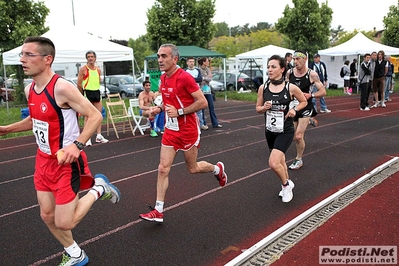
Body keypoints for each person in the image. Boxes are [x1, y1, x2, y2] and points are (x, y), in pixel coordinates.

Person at [0, 36, 121, 265]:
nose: (22, 60)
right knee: (47, 215)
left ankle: (98, 188)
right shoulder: (30, 90)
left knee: (65, 222)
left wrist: (78, 144)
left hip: (67, 162)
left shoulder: (62, 87)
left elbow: (95, 116)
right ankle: (75, 253)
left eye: (29, 55)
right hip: (43, 161)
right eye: (22, 55)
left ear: (47, 59)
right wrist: (6, 129)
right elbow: (36, 120)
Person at [139, 44, 227, 223]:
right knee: (163, 168)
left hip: (188, 130)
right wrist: (158, 108)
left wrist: (179, 112)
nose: (160, 60)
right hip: (171, 130)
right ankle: (158, 210)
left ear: (175, 59)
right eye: (159, 56)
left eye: (164, 56)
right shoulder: (163, 79)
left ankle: (217, 169)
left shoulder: (185, 78)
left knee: (192, 168)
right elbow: (168, 102)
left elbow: (202, 102)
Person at [256, 55, 307, 203]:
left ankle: (285, 185)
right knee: (281, 161)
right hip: (270, 130)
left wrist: (294, 110)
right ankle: (288, 182)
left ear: (282, 69)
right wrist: (263, 108)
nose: (270, 70)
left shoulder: (290, 87)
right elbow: (257, 108)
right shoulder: (263, 87)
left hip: (285, 130)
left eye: (273, 67)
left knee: (273, 163)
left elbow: (303, 101)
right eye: (268, 66)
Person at [286, 50, 326, 170]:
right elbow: (286, 88)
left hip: (306, 106)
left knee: (298, 136)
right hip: (293, 107)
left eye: (298, 59)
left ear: (305, 59)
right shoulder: (289, 73)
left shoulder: (312, 74)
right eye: (294, 59)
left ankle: (299, 159)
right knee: (293, 137)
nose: (295, 61)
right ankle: (309, 120)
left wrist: (311, 95)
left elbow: (323, 91)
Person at [77, 50, 109, 146]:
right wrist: (81, 95)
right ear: (87, 58)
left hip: (96, 92)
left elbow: (97, 81)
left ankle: (99, 135)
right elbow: (79, 84)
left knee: (98, 115)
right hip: (87, 92)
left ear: (95, 58)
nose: (90, 58)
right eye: (88, 57)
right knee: (88, 116)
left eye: (92, 56)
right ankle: (87, 138)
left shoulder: (98, 70)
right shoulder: (83, 69)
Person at [198, 57, 223, 128]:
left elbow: (210, 78)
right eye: (207, 61)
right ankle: (203, 123)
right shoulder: (198, 70)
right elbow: (199, 79)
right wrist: (205, 78)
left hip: (208, 89)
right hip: (201, 90)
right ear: (203, 62)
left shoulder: (208, 69)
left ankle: (215, 123)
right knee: (202, 107)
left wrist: (204, 78)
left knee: (211, 106)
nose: (208, 62)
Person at [184, 57, 207, 130]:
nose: (192, 63)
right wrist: (193, 79)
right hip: (187, 92)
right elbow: (184, 80)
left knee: (199, 108)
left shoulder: (197, 70)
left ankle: (201, 124)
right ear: (187, 63)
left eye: (193, 61)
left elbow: (200, 79)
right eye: (190, 61)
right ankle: (189, 125)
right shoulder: (185, 70)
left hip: (197, 91)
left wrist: (190, 79)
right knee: (188, 108)